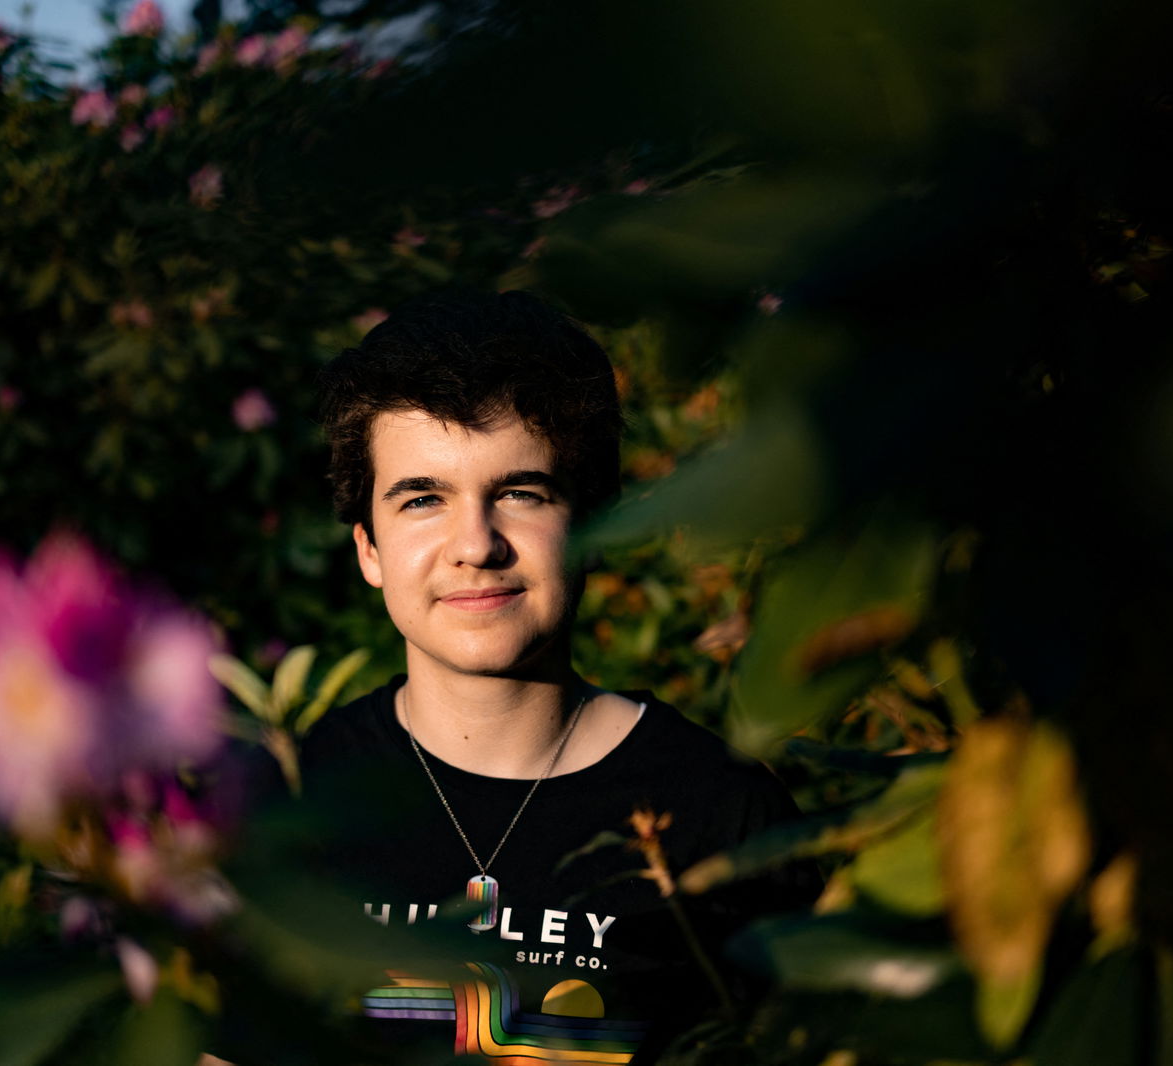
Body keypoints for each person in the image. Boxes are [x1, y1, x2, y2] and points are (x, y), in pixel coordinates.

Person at [229, 290, 817, 1065]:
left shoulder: (726, 813)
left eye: (520, 494)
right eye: (423, 499)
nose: (476, 545)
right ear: (368, 547)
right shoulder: (293, 800)